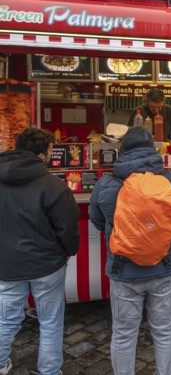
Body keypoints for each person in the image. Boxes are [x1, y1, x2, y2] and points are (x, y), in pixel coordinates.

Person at [89, 126, 171, 375]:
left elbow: (98, 221)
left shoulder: (107, 183)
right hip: (164, 269)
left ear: (121, 152)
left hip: (124, 273)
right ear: (153, 150)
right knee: (165, 329)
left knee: (123, 334)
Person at [0, 128, 80, 375]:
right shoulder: (54, 186)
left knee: (5, 319)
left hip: (7, 264)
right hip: (48, 266)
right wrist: (68, 252)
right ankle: (49, 371)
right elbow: (67, 228)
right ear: (44, 153)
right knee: (50, 321)